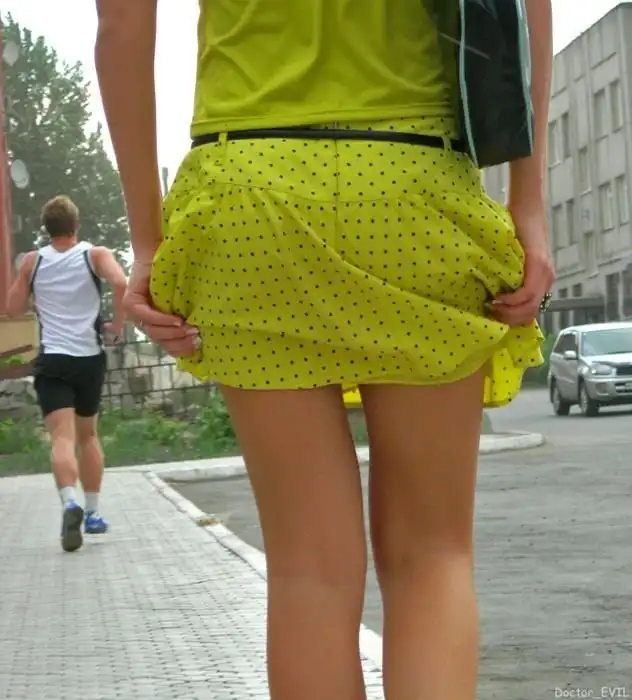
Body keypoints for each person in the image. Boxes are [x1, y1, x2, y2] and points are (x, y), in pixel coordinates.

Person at [95, 1, 554, 697]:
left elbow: (123, 23)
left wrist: (148, 239)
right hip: (414, 184)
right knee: (431, 556)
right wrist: (529, 204)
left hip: (249, 193)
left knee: (308, 570)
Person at [7, 195, 127, 552]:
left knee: (61, 437)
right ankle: (92, 513)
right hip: (89, 358)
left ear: (47, 229)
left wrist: (26, 279)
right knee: (88, 436)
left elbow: (12, 309)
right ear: (77, 224)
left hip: (54, 360)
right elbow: (121, 283)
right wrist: (117, 325)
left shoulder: (33, 261)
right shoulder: (95, 255)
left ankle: (69, 502)